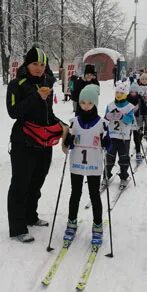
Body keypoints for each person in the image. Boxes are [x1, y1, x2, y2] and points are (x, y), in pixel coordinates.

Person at [6, 46, 68, 243]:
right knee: (20, 185)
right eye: (35, 64)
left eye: (42, 64)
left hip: (44, 142)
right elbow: (14, 112)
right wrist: (36, 96)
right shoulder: (17, 84)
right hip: (23, 142)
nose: (39, 68)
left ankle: (30, 216)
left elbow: (46, 114)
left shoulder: (47, 82)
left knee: (37, 182)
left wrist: (62, 126)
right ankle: (17, 228)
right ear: (27, 63)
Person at [62, 84, 111, 247]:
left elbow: (108, 145)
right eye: (83, 102)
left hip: (93, 164)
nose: (86, 106)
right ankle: (72, 222)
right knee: (75, 193)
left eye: (90, 103)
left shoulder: (102, 123)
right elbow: (69, 142)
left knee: (94, 195)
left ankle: (97, 225)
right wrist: (68, 141)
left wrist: (106, 142)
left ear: (95, 103)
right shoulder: (74, 122)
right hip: (77, 163)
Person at [104, 82, 135, 188]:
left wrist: (122, 117)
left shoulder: (129, 107)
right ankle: (106, 175)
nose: (118, 94)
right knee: (109, 157)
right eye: (117, 92)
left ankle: (123, 177)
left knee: (123, 158)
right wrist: (108, 117)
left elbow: (130, 120)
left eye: (121, 93)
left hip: (123, 137)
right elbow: (105, 119)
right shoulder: (110, 105)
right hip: (112, 135)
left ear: (125, 94)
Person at [127, 82, 147, 163]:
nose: (133, 93)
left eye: (135, 92)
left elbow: (145, 111)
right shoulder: (126, 99)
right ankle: (126, 153)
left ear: (137, 92)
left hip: (138, 121)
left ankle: (138, 152)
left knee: (137, 138)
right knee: (127, 137)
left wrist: (146, 123)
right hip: (128, 121)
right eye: (131, 92)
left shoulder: (140, 99)